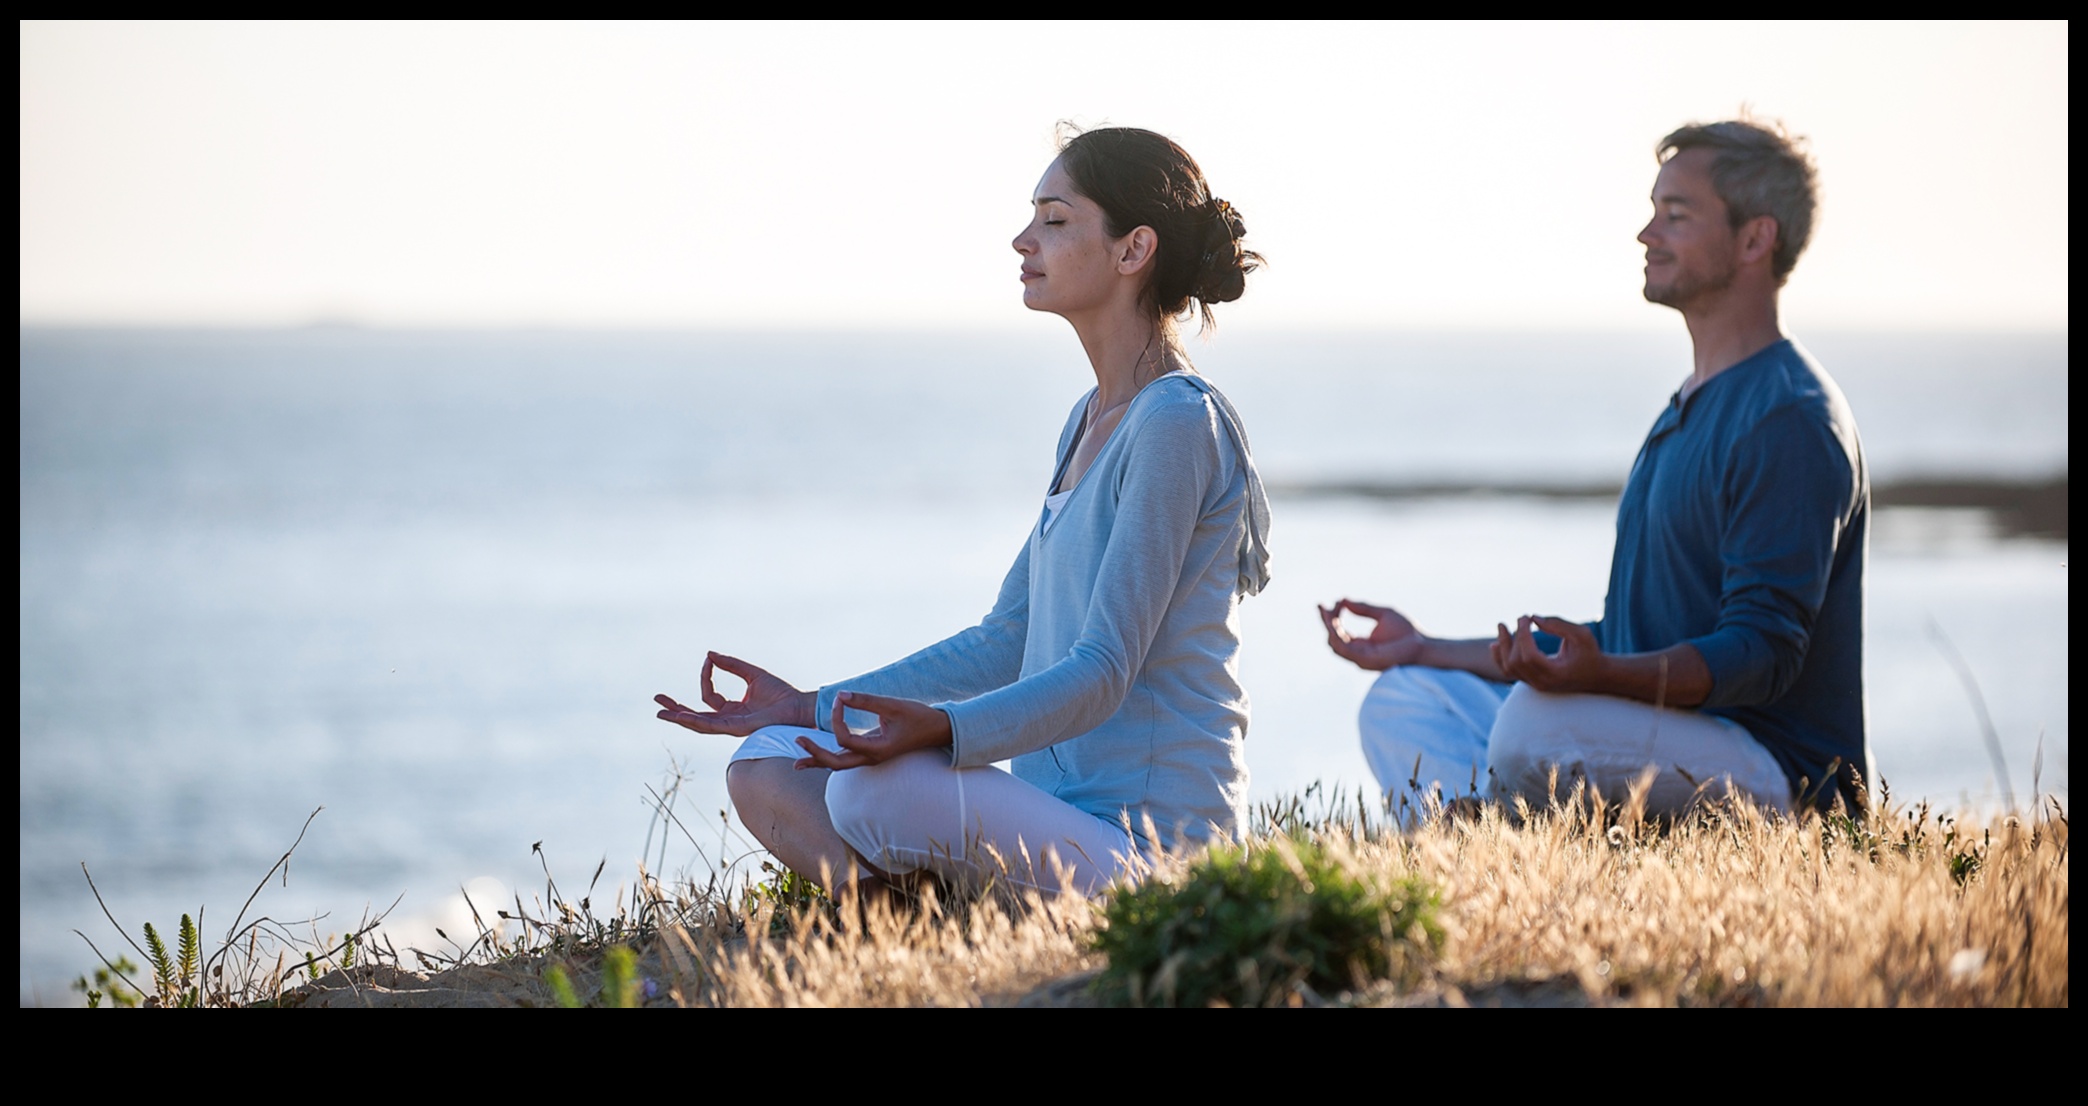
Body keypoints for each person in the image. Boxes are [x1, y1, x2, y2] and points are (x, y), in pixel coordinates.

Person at [656, 126, 1271, 896]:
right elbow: (1008, 638)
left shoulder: (1177, 422)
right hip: (1058, 825)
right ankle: (905, 927)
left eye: (1054, 219)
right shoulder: (1091, 419)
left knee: (869, 789)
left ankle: (950, 918)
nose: (1023, 240)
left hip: (1159, 858)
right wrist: (814, 704)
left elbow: (1104, 672)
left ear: (1131, 249)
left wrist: (945, 731)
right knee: (769, 760)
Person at [1321, 118, 1872, 817]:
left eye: (1675, 215)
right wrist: (1427, 646)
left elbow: (1761, 654)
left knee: (1532, 725)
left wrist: (1600, 674)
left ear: (1755, 239)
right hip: (1671, 735)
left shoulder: (1788, 416)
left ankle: (1492, 830)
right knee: (1405, 696)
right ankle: (1472, 848)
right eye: (1653, 212)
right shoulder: (1690, 407)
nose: (1648, 235)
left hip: (1782, 779)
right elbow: (1632, 640)